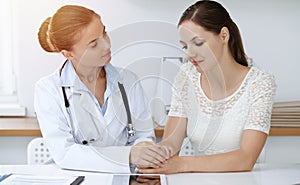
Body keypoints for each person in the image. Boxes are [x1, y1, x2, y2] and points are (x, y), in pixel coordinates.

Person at [140, 0, 276, 174]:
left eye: (198, 43)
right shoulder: (186, 76)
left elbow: (245, 158)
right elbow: (171, 143)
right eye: (185, 46)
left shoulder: (260, 83)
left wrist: (182, 164)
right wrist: (156, 155)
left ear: (224, 36)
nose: (189, 54)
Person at [34, 5, 169, 173]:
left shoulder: (128, 81)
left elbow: (143, 135)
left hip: (125, 177)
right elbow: (65, 153)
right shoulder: (48, 89)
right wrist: (128, 155)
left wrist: (143, 150)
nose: (106, 45)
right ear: (68, 54)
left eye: (104, 33)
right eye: (93, 44)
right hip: (74, 177)